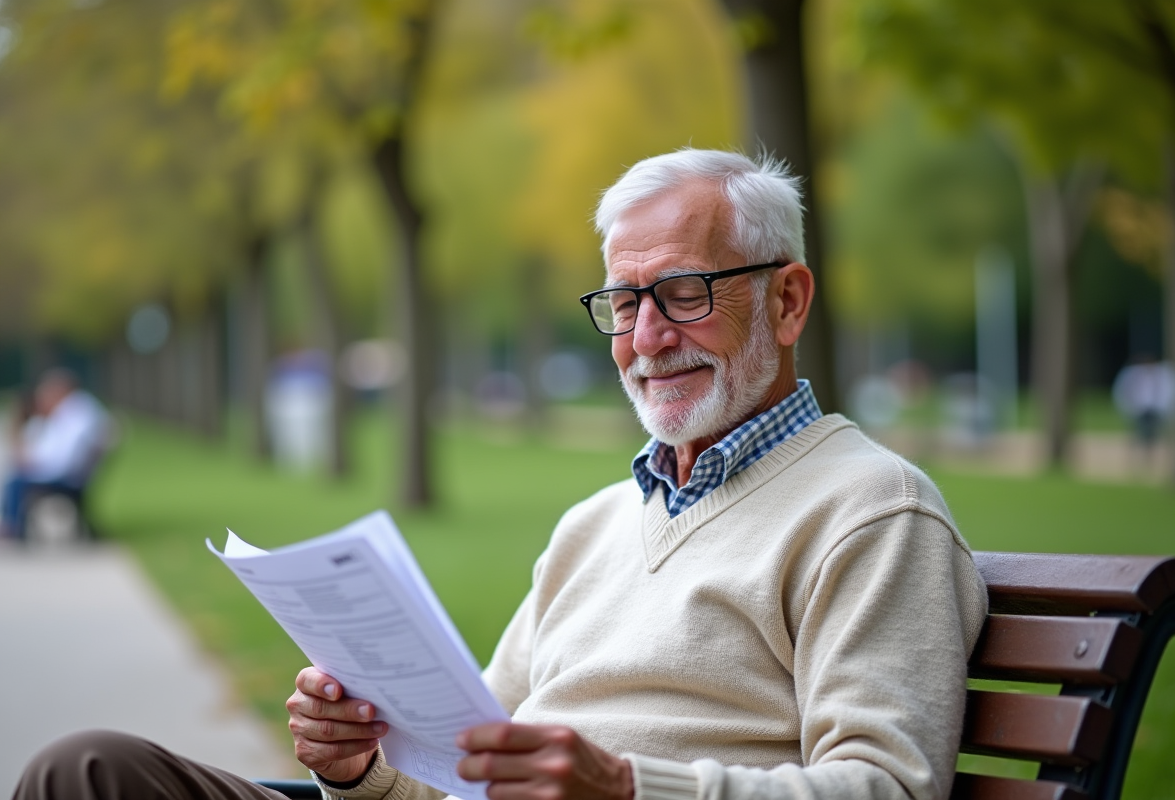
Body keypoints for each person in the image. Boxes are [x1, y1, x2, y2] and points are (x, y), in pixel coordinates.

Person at [14, 150, 987, 800]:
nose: (646, 338)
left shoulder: (874, 509)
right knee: (85, 769)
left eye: (683, 294)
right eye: (622, 301)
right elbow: (460, 774)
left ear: (787, 299)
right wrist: (361, 766)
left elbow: (888, 784)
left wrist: (626, 787)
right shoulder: (594, 524)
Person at [0, 368, 112, 541]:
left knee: (16, 481)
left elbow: (62, 459)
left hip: (67, 477)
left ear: (60, 390)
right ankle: (12, 526)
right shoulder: (75, 411)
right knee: (16, 477)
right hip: (71, 474)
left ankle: (14, 528)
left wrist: (32, 462)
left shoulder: (76, 414)